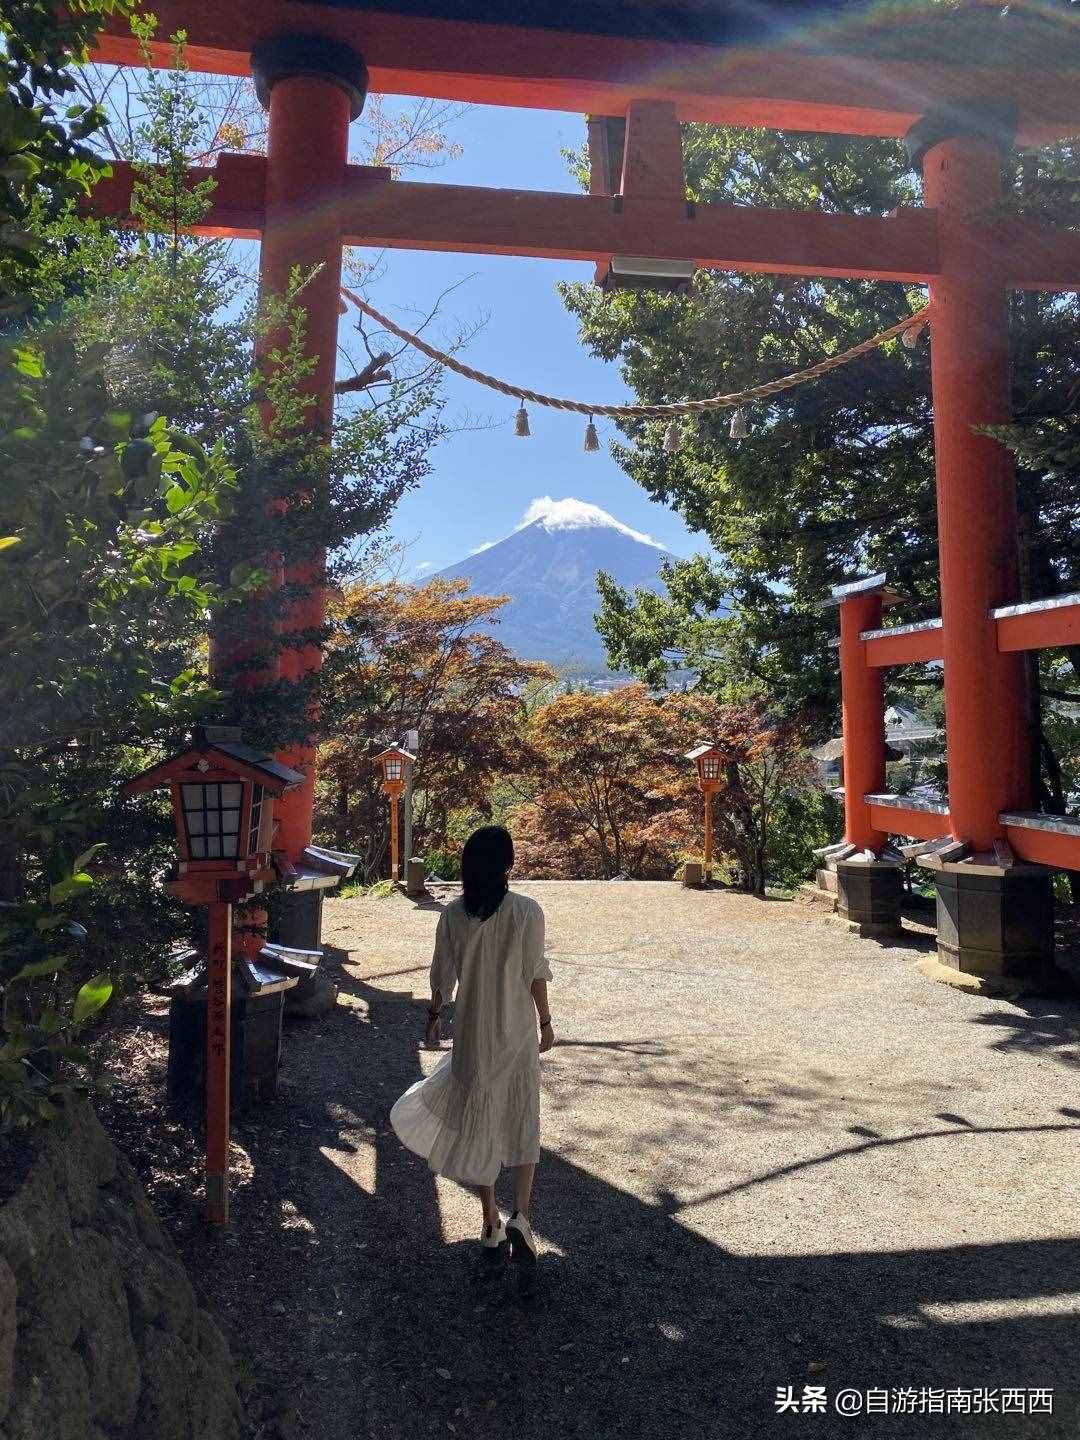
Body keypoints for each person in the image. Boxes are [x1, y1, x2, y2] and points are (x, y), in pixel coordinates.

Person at [390, 825, 554, 1269]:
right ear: (507, 865)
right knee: (522, 1120)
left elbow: (442, 974)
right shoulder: (527, 912)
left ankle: (489, 1219)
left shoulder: (453, 916)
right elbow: (535, 972)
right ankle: (522, 1214)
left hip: (472, 1035)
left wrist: (433, 1016)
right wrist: (545, 1022)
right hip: (516, 1032)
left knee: (477, 1124)